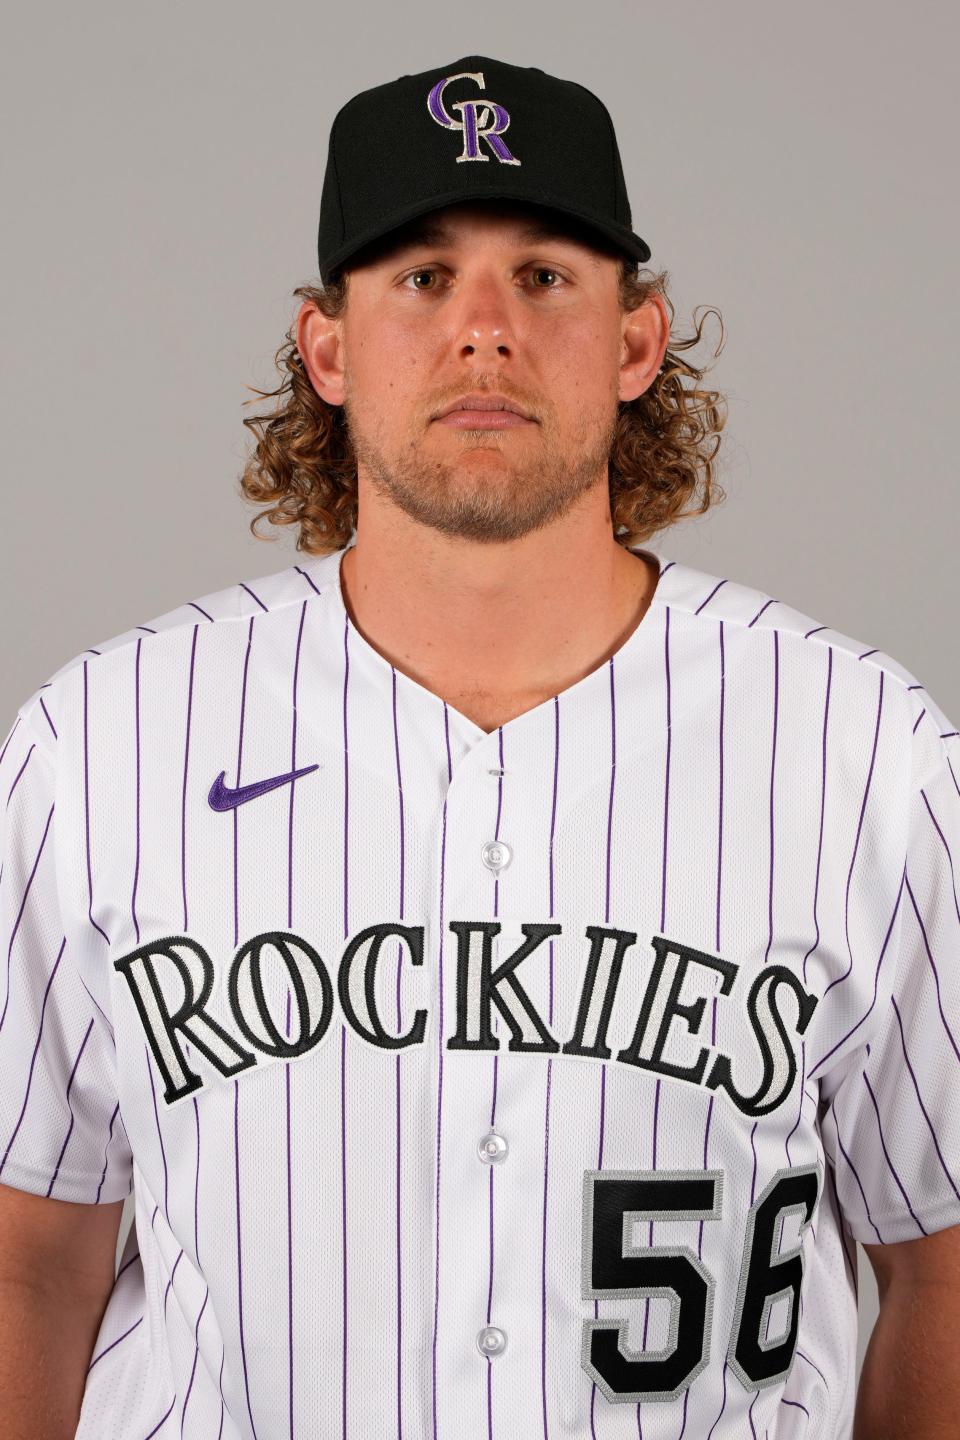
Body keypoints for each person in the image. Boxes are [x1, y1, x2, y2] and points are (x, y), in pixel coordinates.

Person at [1, 53, 958, 1440]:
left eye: (548, 275)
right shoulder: (100, 744)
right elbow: (31, 1260)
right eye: (422, 276)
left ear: (638, 340)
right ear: (325, 348)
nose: (485, 331)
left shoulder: (868, 753)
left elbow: (937, 1260)